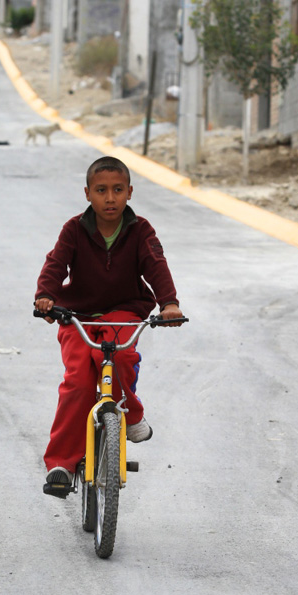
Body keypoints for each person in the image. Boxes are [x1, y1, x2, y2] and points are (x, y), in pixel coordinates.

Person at [34, 155, 184, 489]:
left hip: (124, 312)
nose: (110, 198)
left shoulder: (140, 229)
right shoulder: (74, 229)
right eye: (101, 190)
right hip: (78, 317)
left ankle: (129, 413)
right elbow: (56, 263)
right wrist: (46, 295)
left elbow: (156, 264)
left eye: (118, 190)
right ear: (87, 193)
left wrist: (169, 303)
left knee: (122, 357)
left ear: (130, 192)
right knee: (78, 381)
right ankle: (61, 464)